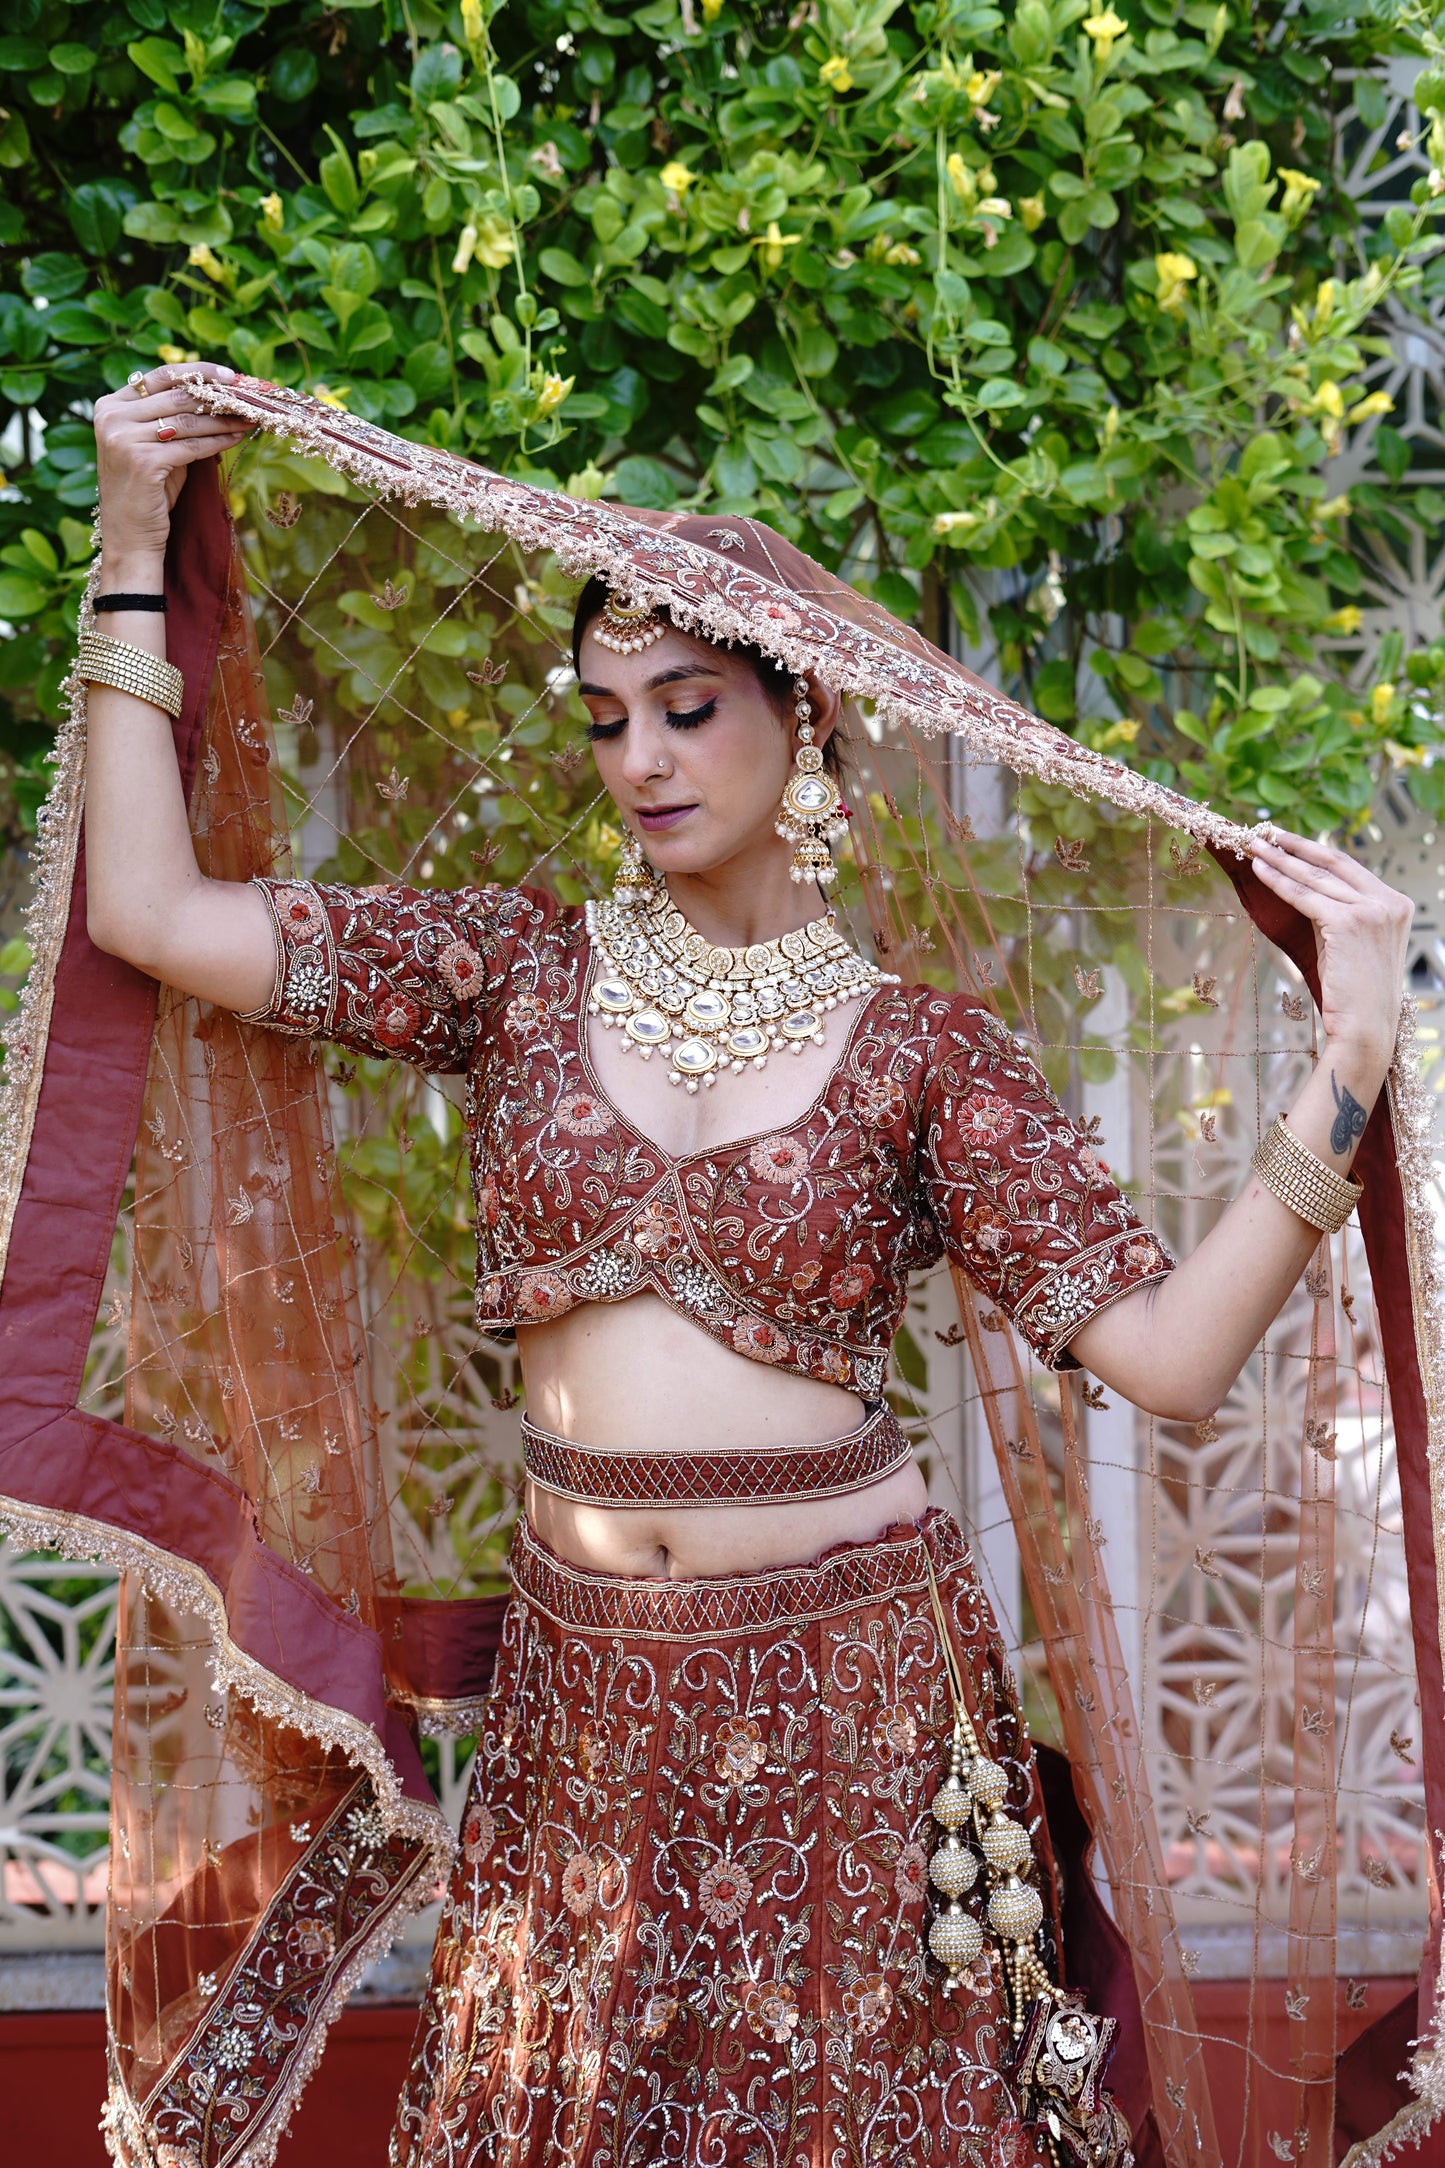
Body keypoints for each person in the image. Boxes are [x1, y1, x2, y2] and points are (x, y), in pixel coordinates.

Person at [79, 361, 1412, 2167]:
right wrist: (132, 543)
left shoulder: (922, 1052)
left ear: (807, 722)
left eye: (688, 709)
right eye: (607, 716)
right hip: (589, 1698)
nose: (639, 759)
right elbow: (149, 916)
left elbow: (1168, 1359)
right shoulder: (513, 975)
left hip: (851, 1696)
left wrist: (1344, 1065)